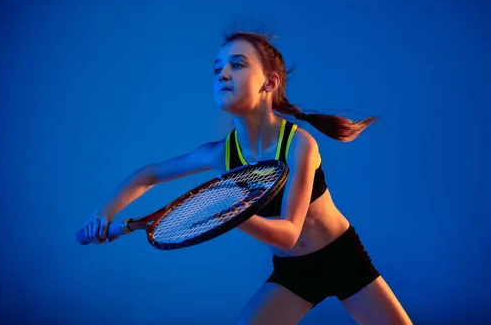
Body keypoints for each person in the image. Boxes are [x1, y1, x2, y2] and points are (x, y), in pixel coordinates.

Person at [81, 31, 413, 324]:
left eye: (237, 65)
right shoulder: (220, 154)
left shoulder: (298, 144)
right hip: (293, 273)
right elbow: (150, 174)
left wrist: (230, 213)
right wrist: (105, 213)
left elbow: (287, 233)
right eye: (217, 69)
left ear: (269, 83)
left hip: (342, 258)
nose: (222, 74)